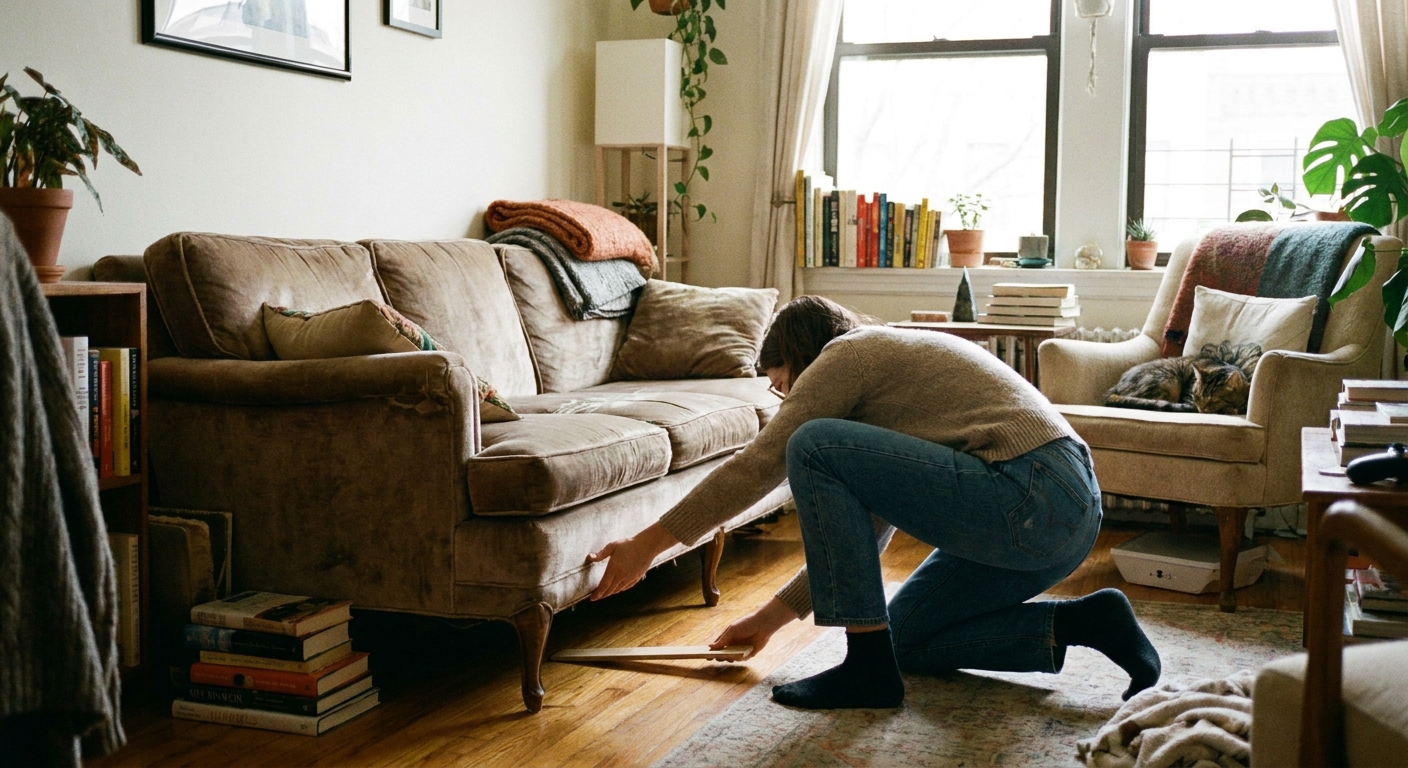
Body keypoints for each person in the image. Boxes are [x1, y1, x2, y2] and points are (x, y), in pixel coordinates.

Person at [588, 296, 1160, 710]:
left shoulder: (849, 355)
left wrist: (646, 546)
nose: (783, 396)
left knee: (808, 443)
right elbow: (868, 527)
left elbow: (760, 463)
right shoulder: (893, 383)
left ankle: (864, 671)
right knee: (904, 636)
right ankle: (1088, 621)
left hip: (1029, 492)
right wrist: (769, 620)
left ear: (803, 354)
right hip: (1062, 514)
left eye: (781, 380)